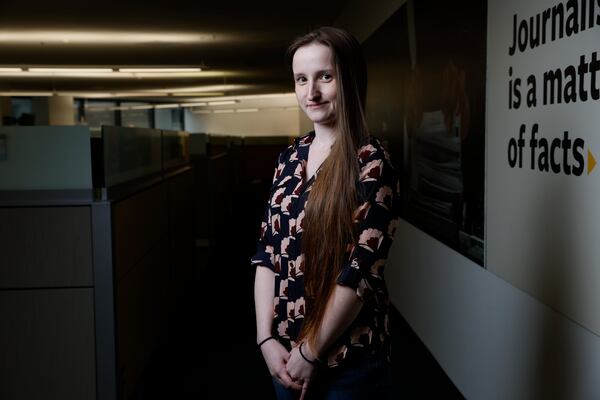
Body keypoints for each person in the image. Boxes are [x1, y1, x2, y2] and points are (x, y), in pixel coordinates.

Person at [251, 26, 399, 400]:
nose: (311, 92)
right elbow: (267, 254)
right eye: (301, 79)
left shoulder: (371, 163)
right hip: (283, 356)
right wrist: (265, 338)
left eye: (324, 77)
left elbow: (360, 274)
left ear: (348, 79)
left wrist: (311, 352)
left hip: (348, 363)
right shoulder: (288, 159)